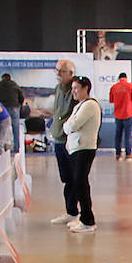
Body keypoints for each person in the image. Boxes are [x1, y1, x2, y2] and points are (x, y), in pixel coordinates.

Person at [60, 76, 101, 234]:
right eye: (72, 88)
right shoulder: (79, 106)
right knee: (77, 183)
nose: (73, 91)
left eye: (77, 88)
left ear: (86, 88)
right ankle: (83, 216)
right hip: (76, 149)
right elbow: (67, 125)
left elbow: (72, 125)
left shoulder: (90, 105)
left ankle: (88, 220)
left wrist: (69, 126)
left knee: (81, 183)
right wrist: (68, 126)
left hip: (84, 148)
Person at [48, 59, 80, 226]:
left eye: (61, 71)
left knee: (76, 178)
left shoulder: (75, 91)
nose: (57, 74)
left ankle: (76, 213)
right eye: (57, 70)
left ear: (71, 73)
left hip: (71, 142)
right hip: (58, 139)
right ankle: (70, 211)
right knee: (66, 177)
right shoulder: (58, 89)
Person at [0, 73, 24, 154]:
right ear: (10, 78)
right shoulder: (15, 85)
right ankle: (17, 149)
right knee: (15, 128)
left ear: (2, 78)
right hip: (14, 108)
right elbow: (21, 97)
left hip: (2, 109)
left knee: (1, 128)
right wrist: (19, 105)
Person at [108, 72, 132, 159]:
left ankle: (118, 154)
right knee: (128, 135)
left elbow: (111, 100)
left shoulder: (113, 87)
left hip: (118, 114)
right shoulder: (130, 86)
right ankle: (128, 153)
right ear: (126, 78)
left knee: (118, 134)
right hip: (128, 113)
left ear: (119, 78)